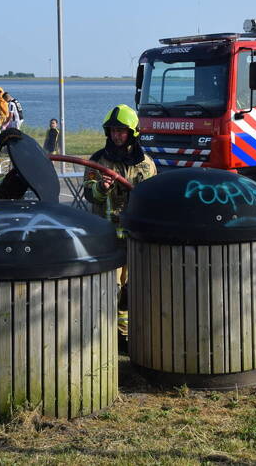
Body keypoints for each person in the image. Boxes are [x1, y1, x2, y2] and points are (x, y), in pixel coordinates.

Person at [82, 105, 156, 351]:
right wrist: (101, 188)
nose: (116, 135)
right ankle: (105, 337)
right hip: (107, 238)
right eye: (113, 130)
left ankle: (125, 335)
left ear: (132, 133)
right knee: (109, 289)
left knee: (130, 290)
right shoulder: (98, 161)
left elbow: (151, 199)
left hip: (135, 239)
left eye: (121, 131)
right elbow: (89, 194)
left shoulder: (146, 164)